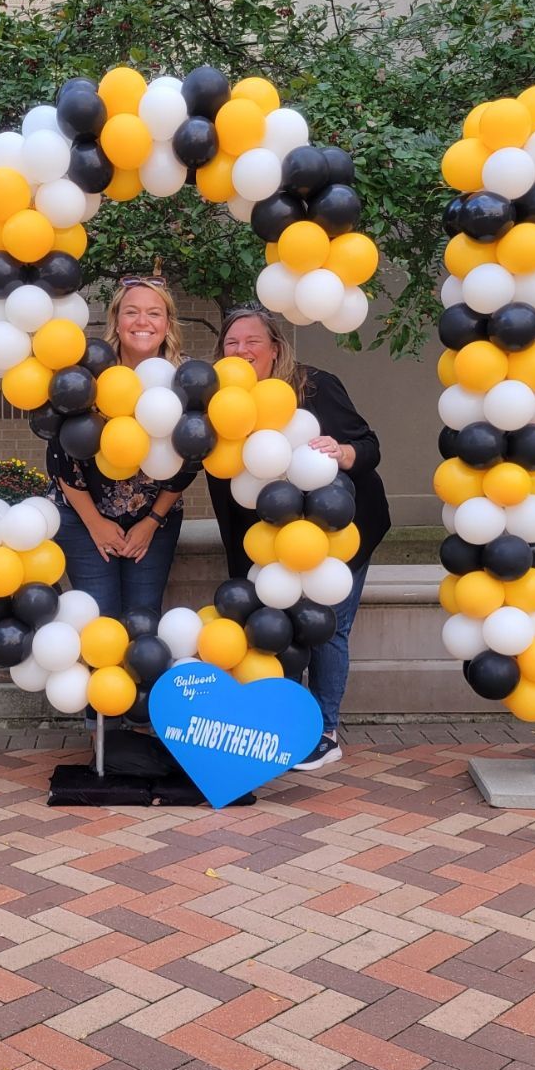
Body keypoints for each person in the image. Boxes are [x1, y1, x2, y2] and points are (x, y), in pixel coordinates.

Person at [206, 305, 391, 771]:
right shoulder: (221, 405)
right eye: (232, 343)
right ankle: (288, 723)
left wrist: (342, 451)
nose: (242, 350)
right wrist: (242, 563)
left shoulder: (314, 386)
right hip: (271, 543)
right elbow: (225, 490)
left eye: (253, 341)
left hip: (340, 531)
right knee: (279, 629)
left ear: (275, 348)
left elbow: (369, 445)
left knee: (327, 627)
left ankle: (324, 732)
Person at [48, 274, 195, 620]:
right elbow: (60, 455)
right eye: (131, 312)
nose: (142, 322)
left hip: (154, 518)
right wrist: (95, 523)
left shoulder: (185, 378)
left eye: (154, 313)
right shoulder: (90, 372)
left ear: (168, 324)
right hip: (84, 515)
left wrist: (152, 522)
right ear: (116, 320)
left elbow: (191, 458)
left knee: (143, 617)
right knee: (100, 617)